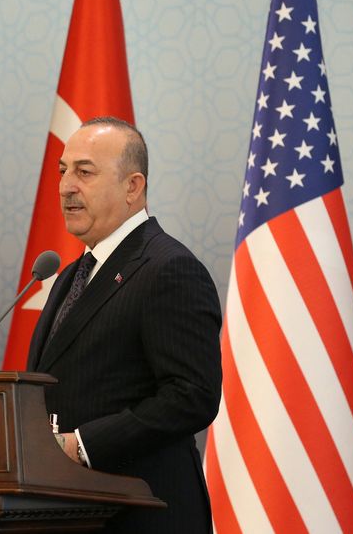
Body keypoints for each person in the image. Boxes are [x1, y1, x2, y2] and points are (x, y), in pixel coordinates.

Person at [26, 116, 222, 533]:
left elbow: (192, 396)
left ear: (133, 187)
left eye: (84, 172)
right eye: (63, 171)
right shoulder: (69, 275)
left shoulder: (169, 269)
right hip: (74, 512)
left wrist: (82, 446)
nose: (65, 187)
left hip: (143, 514)